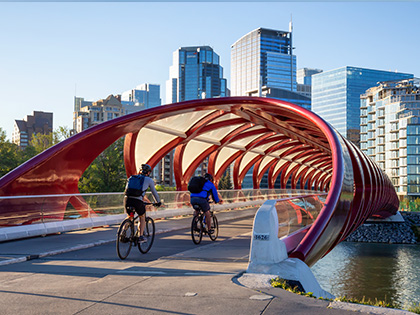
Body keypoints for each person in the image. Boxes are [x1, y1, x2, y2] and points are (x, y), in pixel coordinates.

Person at [124, 164, 161, 242]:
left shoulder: (131, 178)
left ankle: (122, 233)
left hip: (127, 199)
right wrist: (158, 202)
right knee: (142, 216)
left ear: (140, 171)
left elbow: (126, 190)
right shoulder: (149, 180)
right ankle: (140, 236)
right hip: (137, 201)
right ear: (148, 172)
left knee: (130, 216)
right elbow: (154, 192)